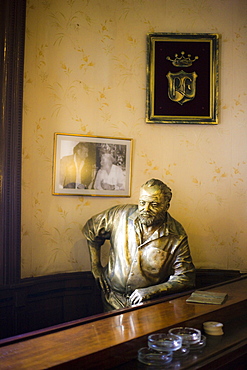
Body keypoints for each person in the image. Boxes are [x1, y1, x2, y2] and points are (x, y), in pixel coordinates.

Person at [83, 179, 195, 311]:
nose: (145, 209)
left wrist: (150, 291)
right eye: (142, 203)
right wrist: (95, 266)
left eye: (154, 204)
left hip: (148, 305)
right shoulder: (119, 215)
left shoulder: (176, 235)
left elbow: (185, 277)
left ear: (166, 206)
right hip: (112, 299)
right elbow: (91, 230)